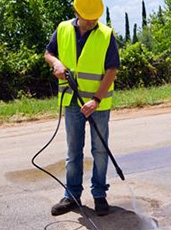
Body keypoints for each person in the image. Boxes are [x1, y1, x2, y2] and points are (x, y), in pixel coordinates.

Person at [44, 0, 120, 216]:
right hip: (71, 102)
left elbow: (112, 70)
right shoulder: (62, 29)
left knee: (100, 150)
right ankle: (72, 196)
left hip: (99, 104)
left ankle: (99, 195)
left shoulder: (106, 35)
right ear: (76, 11)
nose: (92, 21)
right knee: (73, 151)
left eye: (95, 17)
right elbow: (48, 53)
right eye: (88, 17)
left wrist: (96, 99)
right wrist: (56, 63)